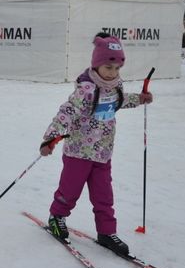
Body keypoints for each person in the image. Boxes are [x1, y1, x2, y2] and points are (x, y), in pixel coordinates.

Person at [39, 33, 153, 256]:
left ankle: (106, 232)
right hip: (78, 152)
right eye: (108, 67)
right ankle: (57, 217)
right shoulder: (86, 90)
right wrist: (51, 138)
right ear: (97, 65)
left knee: (104, 195)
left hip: (102, 152)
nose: (113, 73)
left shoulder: (116, 87)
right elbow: (66, 113)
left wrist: (139, 99)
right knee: (69, 191)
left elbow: (120, 102)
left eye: (117, 68)